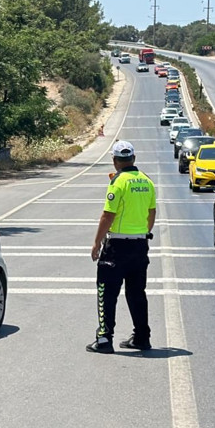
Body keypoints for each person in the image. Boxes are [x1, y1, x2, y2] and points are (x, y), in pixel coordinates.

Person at [86, 140, 156, 353]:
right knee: (137, 293)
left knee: (106, 293)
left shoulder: (118, 182)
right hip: (140, 244)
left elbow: (107, 215)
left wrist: (97, 242)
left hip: (116, 246)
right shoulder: (147, 181)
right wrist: (142, 232)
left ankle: (105, 339)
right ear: (133, 159)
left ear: (115, 161)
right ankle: (142, 337)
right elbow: (152, 213)